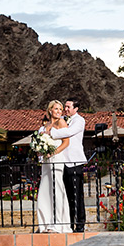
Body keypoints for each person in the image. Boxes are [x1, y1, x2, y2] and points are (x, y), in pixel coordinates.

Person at [50, 97, 87, 232]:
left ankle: (80, 224)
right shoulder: (64, 121)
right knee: (68, 196)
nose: (66, 109)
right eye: (65, 106)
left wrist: (50, 132)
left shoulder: (79, 121)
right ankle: (69, 224)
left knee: (77, 195)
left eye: (68, 107)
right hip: (63, 163)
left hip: (74, 162)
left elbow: (68, 133)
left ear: (76, 109)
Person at [35, 101, 71, 233]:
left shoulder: (61, 123)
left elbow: (66, 142)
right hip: (45, 161)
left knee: (57, 190)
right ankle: (44, 223)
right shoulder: (46, 125)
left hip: (56, 159)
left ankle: (59, 224)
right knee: (45, 190)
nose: (59, 111)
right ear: (50, 110)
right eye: (56, 109)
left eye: (60, 109)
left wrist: (53, 153)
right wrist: (40, 150)